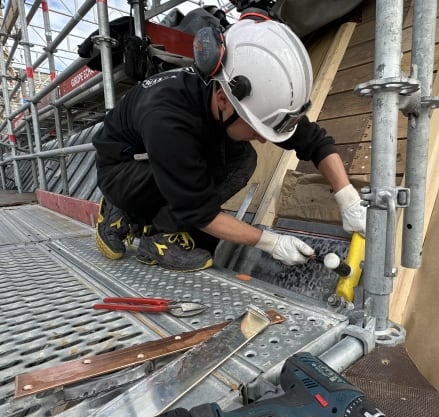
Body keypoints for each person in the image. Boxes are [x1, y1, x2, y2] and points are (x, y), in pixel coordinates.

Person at [92, 17, 366, 272]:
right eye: (257, 126)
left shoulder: (237, 90)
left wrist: (348, 198)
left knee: (242, 160)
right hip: (124, 169)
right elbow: (198, 211)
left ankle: (157, 222)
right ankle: (139, 224)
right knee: (197, 177)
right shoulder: (169, 121)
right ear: (224, 100)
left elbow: (314, 140)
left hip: (165, 154)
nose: (263, 138)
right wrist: (271, 242)